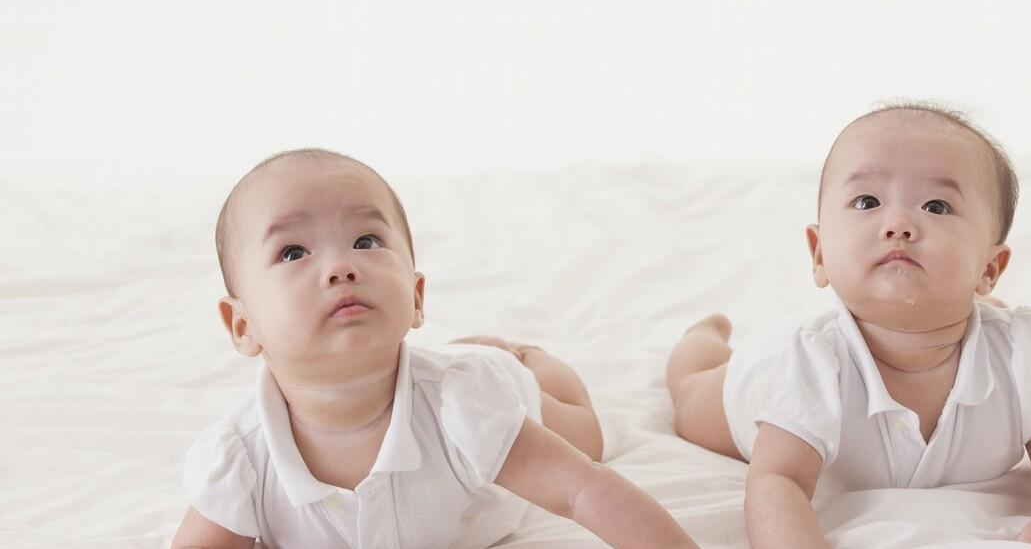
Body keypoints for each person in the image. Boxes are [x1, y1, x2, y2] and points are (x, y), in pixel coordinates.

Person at [172, 148, 698, 549]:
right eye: (293, 252)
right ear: (242, 325)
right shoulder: (240, 461)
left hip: (501, 393)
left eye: (366, 241)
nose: (341, 267)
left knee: (586, 437)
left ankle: (523, 355)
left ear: (416, 297)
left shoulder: (468, 406)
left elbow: (584, 491)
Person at [666, 103, 1031, 549]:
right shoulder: (807, 366)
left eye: (936, 206)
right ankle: (702, 338)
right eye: (867, 202)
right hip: (759, 387)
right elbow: (779, 480)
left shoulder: (1020, 357)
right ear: (819, 254)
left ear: (989, 268)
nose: (898, 224)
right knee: (691, 396)